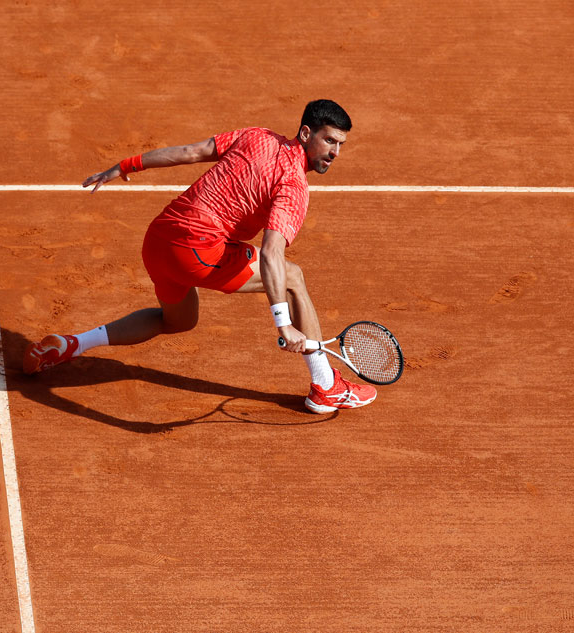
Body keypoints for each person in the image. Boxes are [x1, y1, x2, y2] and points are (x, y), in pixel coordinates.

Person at [23, 99, 376, 413]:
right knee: (294, 277)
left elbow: (192, 151)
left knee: (177, 320)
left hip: (158, 239)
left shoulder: (257, 136)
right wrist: (283, 323)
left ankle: (70, 345)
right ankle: (325, 387)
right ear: (305, 133)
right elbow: (271, 253)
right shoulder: (293, 185)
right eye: (329, 140)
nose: (335, 152)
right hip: (195, 250)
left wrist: (126, 165)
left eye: (340, 144)